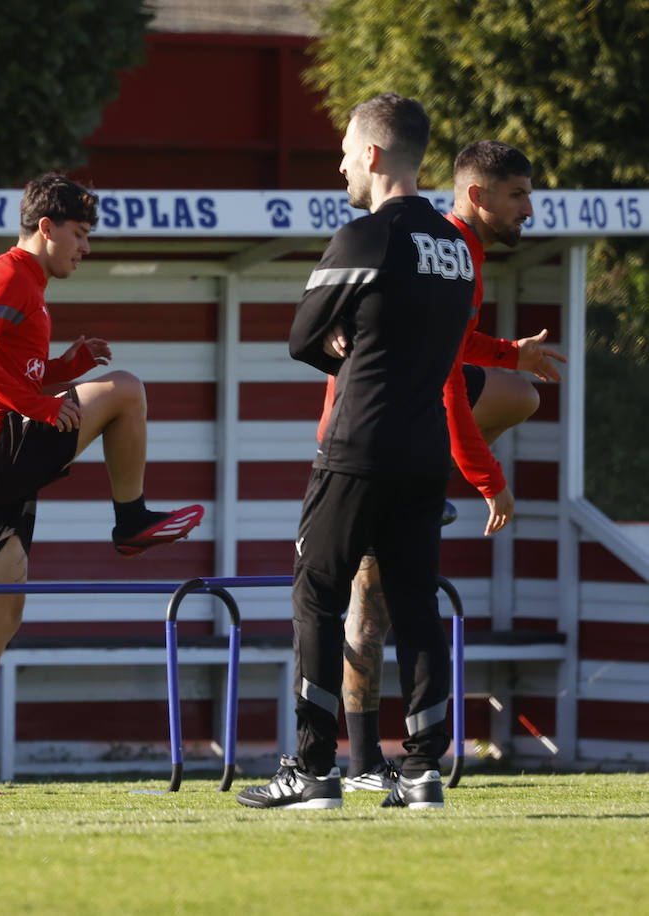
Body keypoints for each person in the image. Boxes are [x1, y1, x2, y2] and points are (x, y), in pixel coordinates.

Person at [0, 172, 204, 795]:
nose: (86, 247)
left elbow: (3, 366)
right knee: (126, 390)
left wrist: (63, 371)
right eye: (80, 234)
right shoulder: (7, 274)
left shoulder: (31, 285)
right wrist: (43, 403)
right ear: (45, 228)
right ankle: (130, 519)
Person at [235, 93, 474, 811]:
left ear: (372, 155)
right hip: (426, 449)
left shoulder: (363, 237)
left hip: (357, 445)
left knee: (317, 595)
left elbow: (304, 336)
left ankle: (313, 772)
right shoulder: (457, 246)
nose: (339, 162)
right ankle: (424, 772)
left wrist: (346, 337)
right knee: (416, 606)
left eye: (345, 149)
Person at [335, 141, 567, 793]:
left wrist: (506, 354)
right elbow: (445, 384)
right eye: (518, 194)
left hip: (400, 425)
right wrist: (487, 476)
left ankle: (397, 760)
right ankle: (359, 764)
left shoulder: (461, 248)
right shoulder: (453, 248)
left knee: (521, 391)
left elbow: (455, 350)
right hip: (371, 439)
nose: (530, 206)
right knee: (367, 605)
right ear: (476, 196)